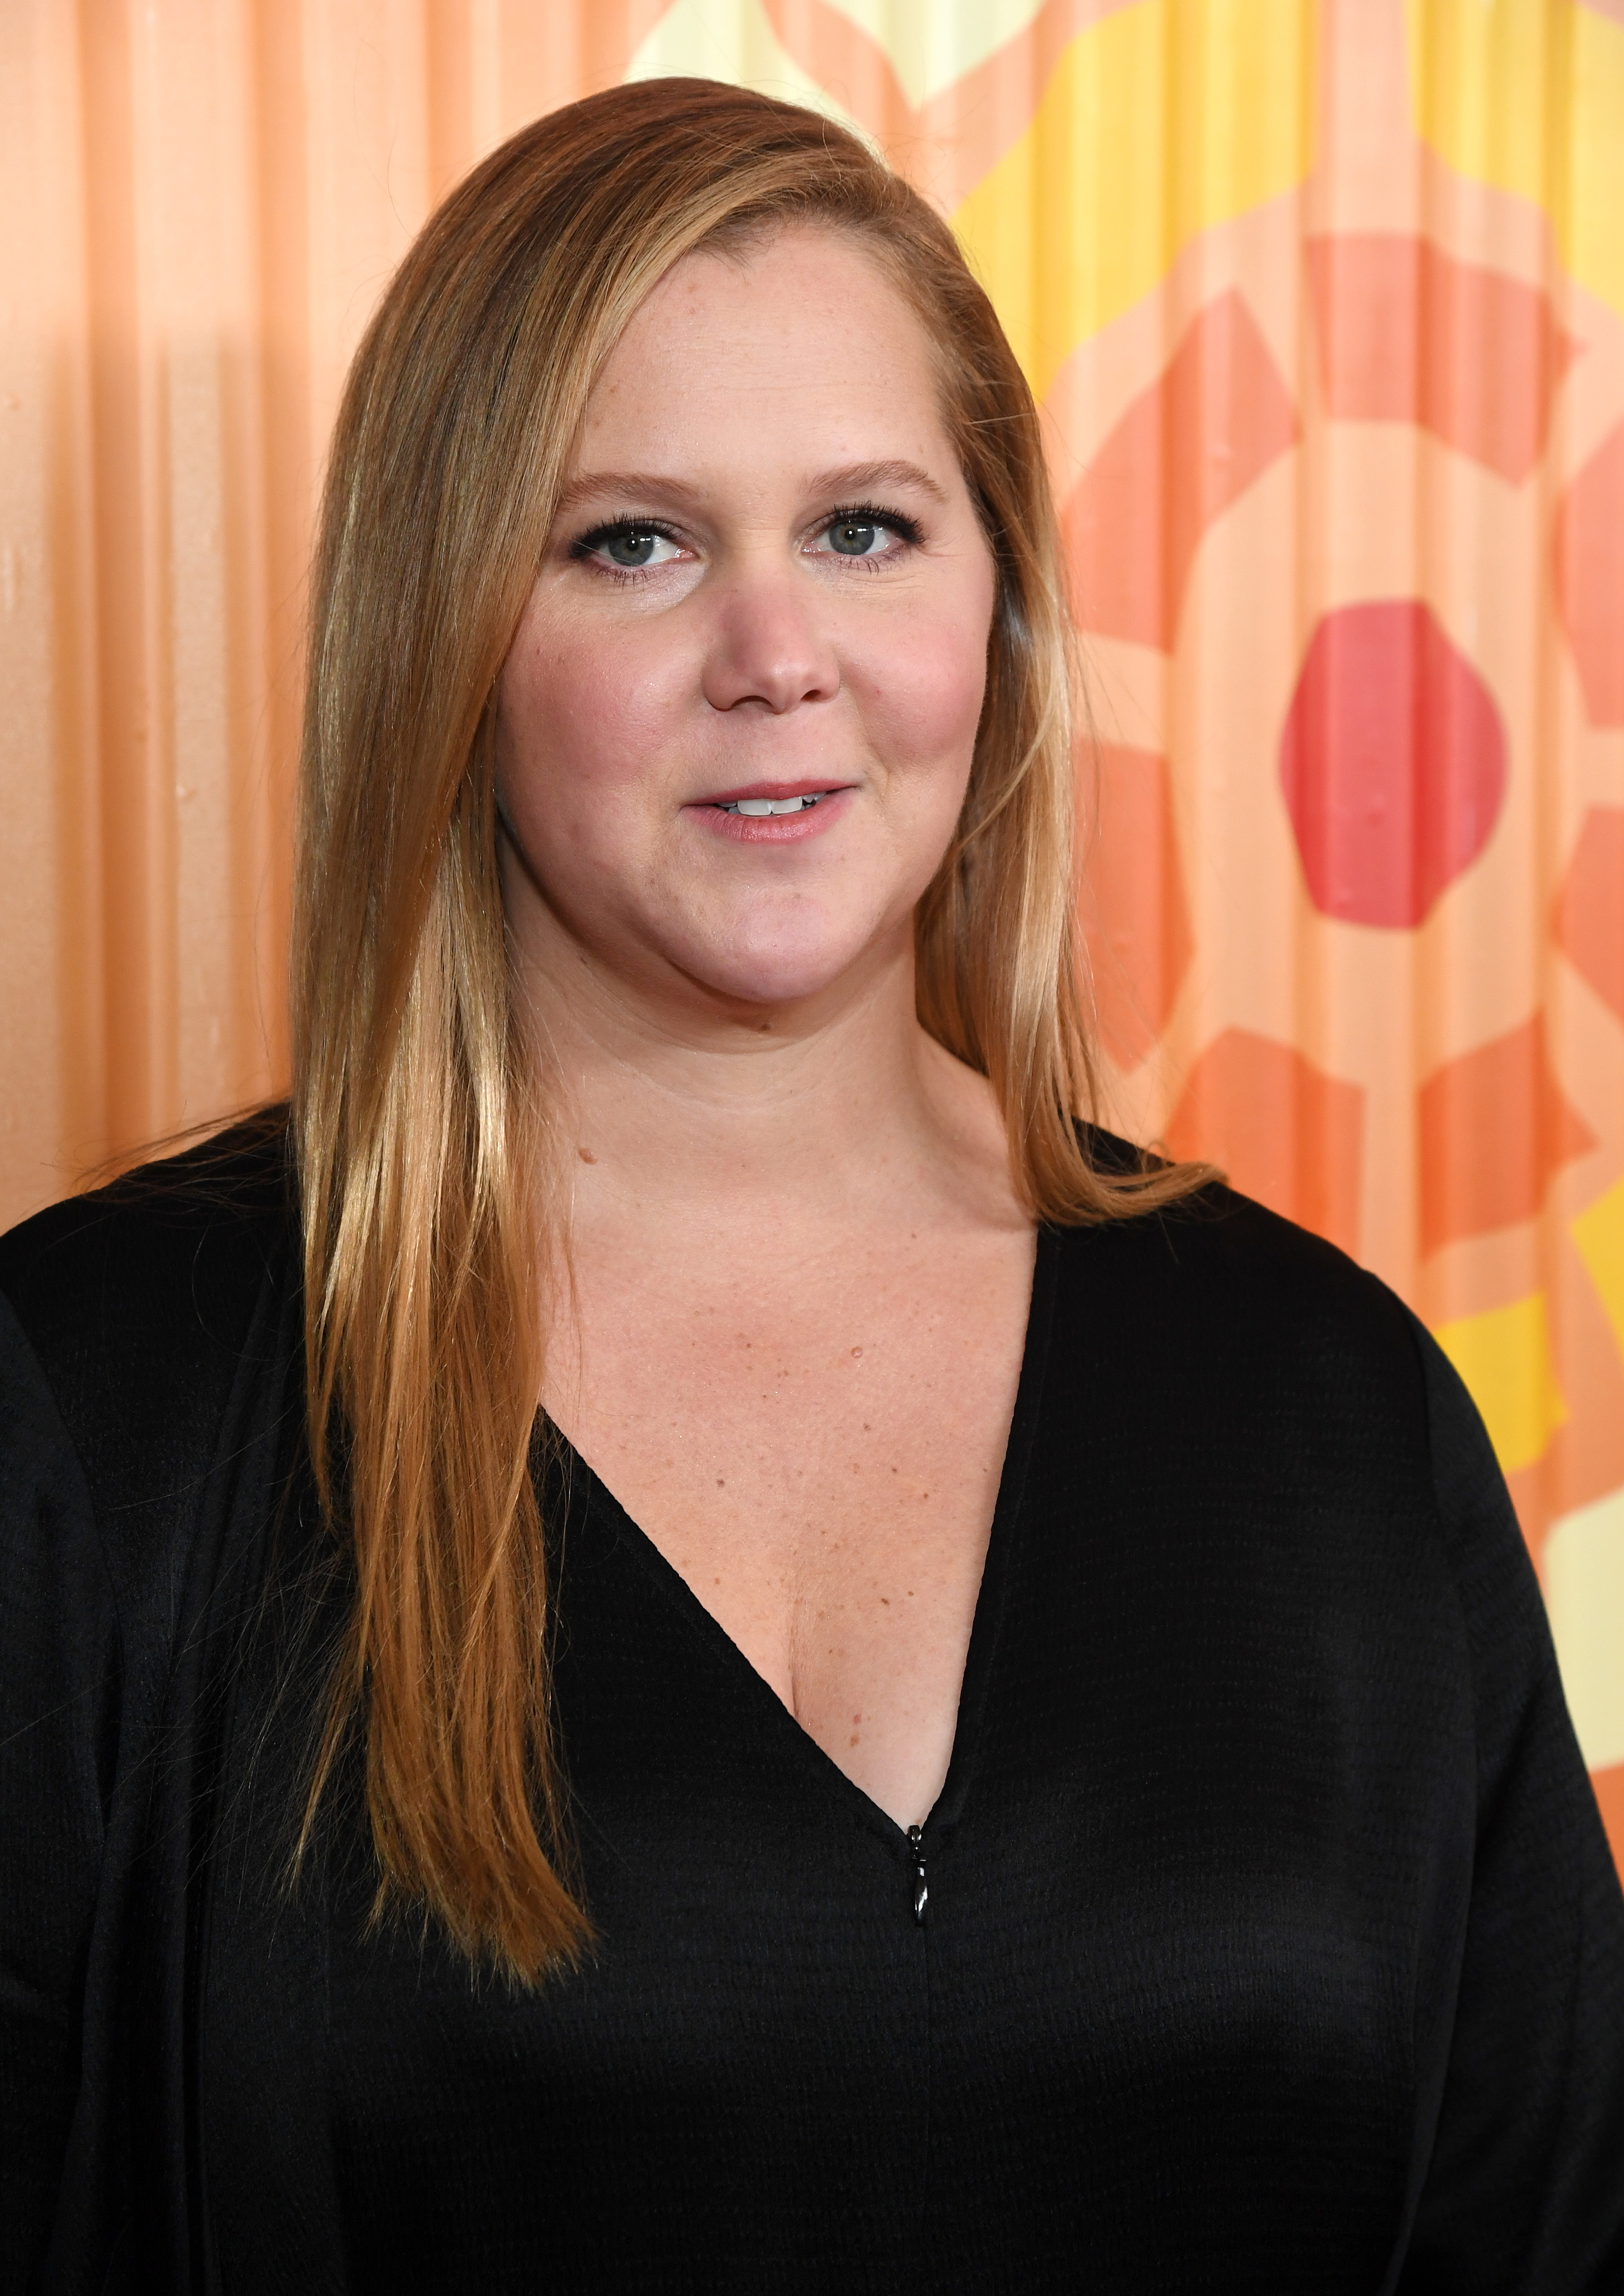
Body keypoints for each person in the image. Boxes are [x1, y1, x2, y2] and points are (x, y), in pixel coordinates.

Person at [2, 77, 1620, 2294]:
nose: (778, 656)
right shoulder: (99, 1408)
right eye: (630, 542)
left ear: (1001, 618)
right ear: (446, 644)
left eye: (864, 527)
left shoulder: (1332, 1410)